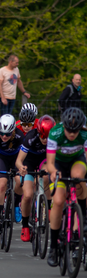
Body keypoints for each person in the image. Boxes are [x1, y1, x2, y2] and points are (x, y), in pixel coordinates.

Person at [46, 107, 87, 267]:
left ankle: (82, 217)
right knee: (57, 201)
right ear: (64, 126)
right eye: (69, 130)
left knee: (79, 177)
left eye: (75, 131)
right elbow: (49, 163)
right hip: (58, 164)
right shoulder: (55, 133)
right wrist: (54, 172)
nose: (71, 134)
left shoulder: (84, 134)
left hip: (77, 161)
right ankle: (54, 247)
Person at [15, 115, 56, 242]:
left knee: (45, 176)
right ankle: (25, 225)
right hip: (30, 162)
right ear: (38, 132)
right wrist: (21, 168)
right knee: (27, 195)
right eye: (42, 136)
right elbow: (18, 161)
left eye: (47, 137)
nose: (44, 140)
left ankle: (48, 206)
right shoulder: (30, 137)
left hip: (45, 160)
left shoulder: (54, 138)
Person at [0, 114, 24, 231]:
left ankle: (16, 205)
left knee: (19, 181)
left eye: (8, 134)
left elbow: (24, 156)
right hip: (1, 159)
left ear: (13, 131)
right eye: (2, 133)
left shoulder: (20, 136)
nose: (4, 136)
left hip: (16, 158)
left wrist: (22, 168)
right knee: (2, 184)